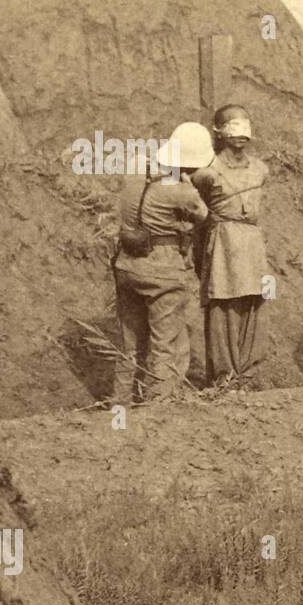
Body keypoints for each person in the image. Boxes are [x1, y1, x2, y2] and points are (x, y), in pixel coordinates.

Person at [110, 122, 211, 404]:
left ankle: (120, 403)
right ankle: (159, 410)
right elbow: (204, 216)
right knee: (167, 345)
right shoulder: (182, 191)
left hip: (127, 264)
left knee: (128, 343)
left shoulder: (135, 168)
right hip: (162, 269)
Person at [191, 104, 269, 388]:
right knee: (223, 306)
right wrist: (200, 257)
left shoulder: (261, 170)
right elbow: (196, 218)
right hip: (221, 242)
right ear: (219, 132)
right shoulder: (207, 172)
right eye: (232, 126)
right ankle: (224, 377)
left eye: (244, 125)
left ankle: (248, 376)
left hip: (252, 243)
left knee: (255, 302)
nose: (240, 133)